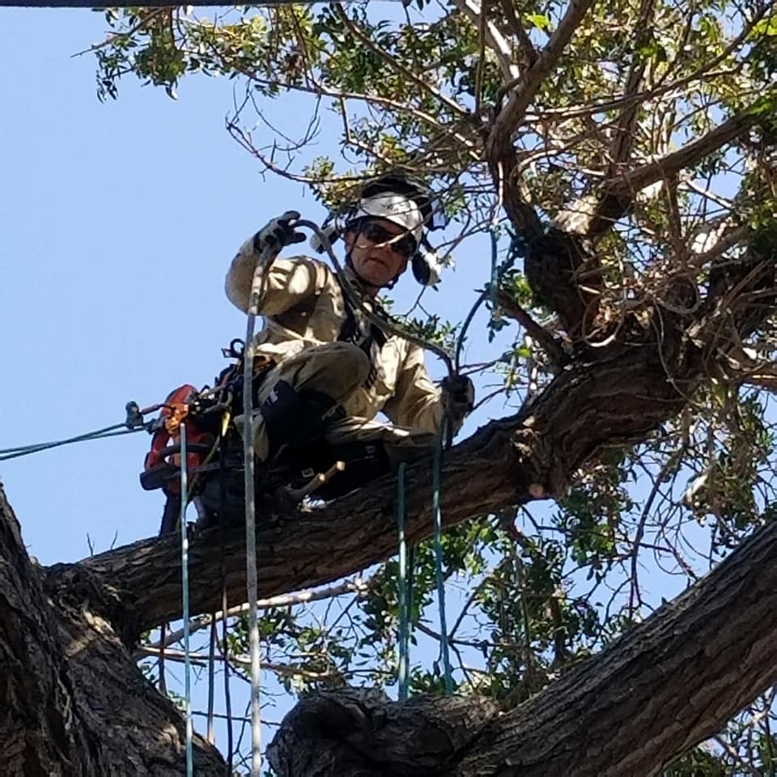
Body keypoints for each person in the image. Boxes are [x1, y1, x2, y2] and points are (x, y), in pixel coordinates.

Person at [224, 176, 474, 489]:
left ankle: (307, 489)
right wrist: (259, 249)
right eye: (375, 233)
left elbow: (419, 416)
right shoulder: (316, 277)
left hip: (330, 439)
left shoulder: (398, 343)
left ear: (404, 265)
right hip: (272, 402)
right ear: (350, 238)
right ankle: (248, 459)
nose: (385, 248)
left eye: (401, 246)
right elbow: (247, 291)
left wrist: (453, 404)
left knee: (426, 448)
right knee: (349, 361)